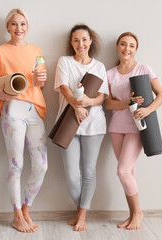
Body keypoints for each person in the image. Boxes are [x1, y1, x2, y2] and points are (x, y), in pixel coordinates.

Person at [0, 8, 48, 233]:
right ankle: (16, 215)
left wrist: (42, 80)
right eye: (14, 24)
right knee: (15, 165)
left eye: (23, 24)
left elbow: (40, 83)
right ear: (7, 27)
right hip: (12, 110)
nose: (19, 28)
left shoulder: (37, 50)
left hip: (35, 109)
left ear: (27, 27)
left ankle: (26, 209)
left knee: (41, 165)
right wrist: (0, 96)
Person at [104, 32, 162, 230]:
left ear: (135, 49)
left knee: (122, 171)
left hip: (137, 127)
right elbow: (108, 104)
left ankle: (138, 213)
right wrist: (126, 103)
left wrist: (147, 109)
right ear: (117, 46)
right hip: (116, 127)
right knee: (128, 172)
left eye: (131, 46)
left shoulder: (143, 69)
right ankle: (132, 215)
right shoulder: (110, 74)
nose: (127, 49)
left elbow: (161, 95)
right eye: (123, 44)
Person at [54, 24, 108, 232]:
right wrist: (77, 106)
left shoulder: (99, 67)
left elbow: (102, 97)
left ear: (91, 41)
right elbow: (65, 89)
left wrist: (86, 102)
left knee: (88, 171)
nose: (80, 44)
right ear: (71, 42)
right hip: (68, 124)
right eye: (76, 40)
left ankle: (82, 214)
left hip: (94, 125)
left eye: (84, 39)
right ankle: (80, 209)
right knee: (71, 176)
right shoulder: (64, 62)